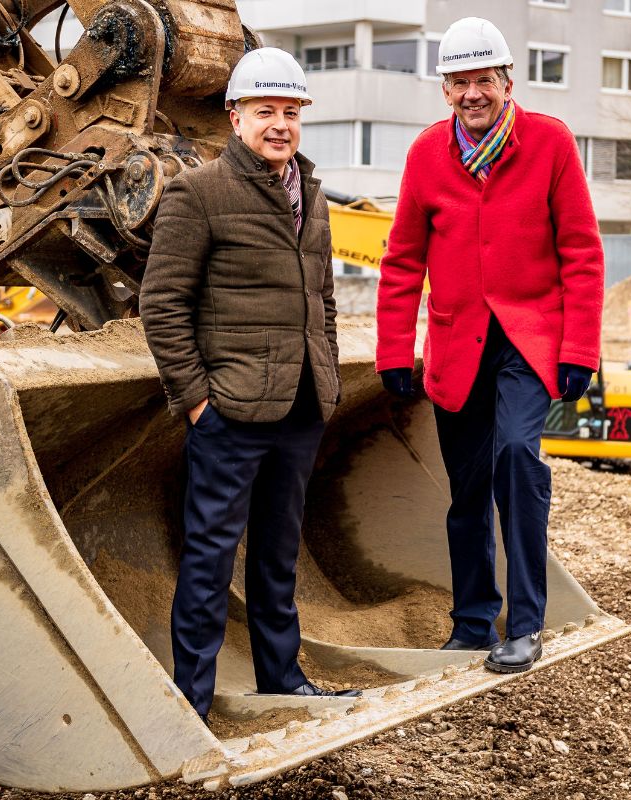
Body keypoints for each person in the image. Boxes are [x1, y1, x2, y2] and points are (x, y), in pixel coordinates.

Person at [374, 17, 605, 674]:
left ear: (507, 81)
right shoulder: (426, 155)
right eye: (459, 83)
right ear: (445, 89)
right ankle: (474, 621)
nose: (473, 93)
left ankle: (526, 624)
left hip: (529, 344)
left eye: (484, 80)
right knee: (468, 489)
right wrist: (394, 350)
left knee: (516, 460)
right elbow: (401, 262)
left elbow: (583, 255)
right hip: (456, 344)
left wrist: (579, 351)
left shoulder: (551, 143)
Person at [140, 47, 360, 723]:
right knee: (208, 561)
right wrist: (199, 400)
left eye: (291, 113)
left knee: (276, 556)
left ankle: (281, 679)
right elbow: (162, 304)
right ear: (235, 118)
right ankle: (191, 702)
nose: (280, 125)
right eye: (266, 111)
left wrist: (323, 379)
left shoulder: (313, 196)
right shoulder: (198, 193)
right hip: (231, 413)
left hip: (298, 408)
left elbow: (319, 298)